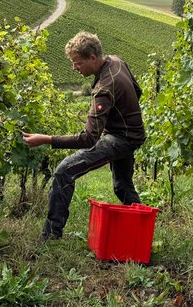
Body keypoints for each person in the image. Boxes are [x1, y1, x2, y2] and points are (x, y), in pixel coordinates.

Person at [22, 31, 146, 241]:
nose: (74, 68)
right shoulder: (117, 61)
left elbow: (88, 139)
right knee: (122, 185)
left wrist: (47, 139)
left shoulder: (105, 88)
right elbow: (138, 90)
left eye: (77, 63)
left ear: (93, 58)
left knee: (64, 171)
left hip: (121, 138)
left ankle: (51, 236)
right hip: (133, 133)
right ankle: (143, 228)